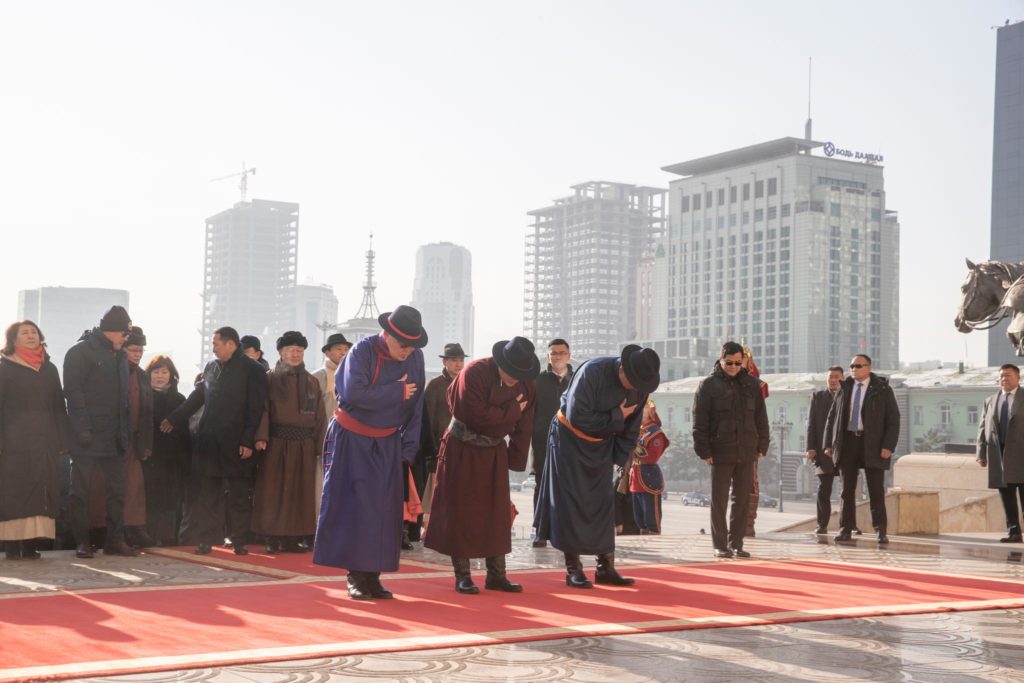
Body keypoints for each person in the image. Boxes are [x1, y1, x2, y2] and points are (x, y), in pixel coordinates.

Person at [314, 306, 427, 600]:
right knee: (355, 507)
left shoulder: (415, 356)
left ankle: (373, 576)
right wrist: (396, 391)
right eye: (402, 344)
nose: (406, 351)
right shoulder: (362, 351)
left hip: (387, 441)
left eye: (412, 345)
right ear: (386, 335)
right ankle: (355, 576)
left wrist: (408, 448)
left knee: (384, 511)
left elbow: (416, 404)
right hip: (352, 438)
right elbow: (354, 392)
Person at [534, 344, 661, 589]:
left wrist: (619, 460)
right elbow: (577, 416)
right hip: (569, 440)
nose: (633, 389)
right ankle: (574, 570)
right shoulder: (592, 372)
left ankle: (605, 567)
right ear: (622, 368)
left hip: (602, 445)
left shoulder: (640, 386)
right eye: (631, 382)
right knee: (571, 504)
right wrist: (616, 415)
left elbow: (632, 426)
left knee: (604, 503)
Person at [425, 337, 537, 594]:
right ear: (500, 363)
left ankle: (497, 574)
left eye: (519, 376)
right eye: (511, 374)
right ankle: (463, 575)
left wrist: (515, 460)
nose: (514, 380)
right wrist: (512, 410)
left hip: (494, 450)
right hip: (462, 447)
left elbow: (525, 423)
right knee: (461, 511)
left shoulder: (527, 383)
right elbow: (476, 416)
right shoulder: (474, 373)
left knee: (496, 513)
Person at [162, 326, 269, 556]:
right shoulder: (211, 367)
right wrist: (174, 418)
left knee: (238, 494)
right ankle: (206, 540)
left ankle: (239, 541)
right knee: (208, 494)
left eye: (215, 344)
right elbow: (197, 397)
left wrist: (248, 441)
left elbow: (255, 408)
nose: (213, 349)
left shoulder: (253, 370)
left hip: (238, 443)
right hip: (209, 442)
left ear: (231, 344)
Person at [63, 305, 140, 558]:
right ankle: (81, 542)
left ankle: (115, 541)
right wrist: (82, 429)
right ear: (111, 330)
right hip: (86, 437)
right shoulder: (79, 352)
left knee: (117, 492)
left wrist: (124, 433)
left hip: (114, 438)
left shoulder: (120, 356)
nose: (126, 339)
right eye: (124, 334)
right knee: (80, 492)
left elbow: (123, 399)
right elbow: (73, 393)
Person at [0, 321, 72, 560]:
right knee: (14, 492)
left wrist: (63, 439)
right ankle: (12, 545)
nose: (31, 336)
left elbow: (59, 405)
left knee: (41, 492)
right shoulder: (5, 367)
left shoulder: (49, 369)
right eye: (25, 333)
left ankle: (31, 544)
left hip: (44, 441)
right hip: (13, 443)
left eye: (34, 332)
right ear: (14, 339)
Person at [692, 341, 769, 559]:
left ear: (743, 361)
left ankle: (736, 543)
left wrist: (762, 445)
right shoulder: (708, 386)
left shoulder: (752, 385)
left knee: (742, 500)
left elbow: (761, 418)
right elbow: (699, 421)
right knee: (719, 501)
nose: (733, 367)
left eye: (737, 362)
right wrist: (704, 451)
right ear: (721, 360)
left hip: (747, 451)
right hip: (720, 451)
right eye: (729, 363)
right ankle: (720, 545)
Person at [252, 331, 326, 553]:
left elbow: (320, 416)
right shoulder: (269, 378)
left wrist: (320, 445)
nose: (295, 354)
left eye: (299, 351)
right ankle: (271, 538)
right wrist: (261, 437)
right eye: (291, 350)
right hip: (276, 443)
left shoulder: (312, 382)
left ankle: (293, 538)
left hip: (304, 444)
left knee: (300, 492)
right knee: (273, 490)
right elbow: (262, 409)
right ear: (281, 353)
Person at [823, 354, 900, 544]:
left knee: (876, 489)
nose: (853, 369)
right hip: (848, 442)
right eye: (851, 366)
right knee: (846, 490)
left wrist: (888, 446)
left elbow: (893, 420)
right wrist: (828, 444)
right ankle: (845, 529)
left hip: (873, 443)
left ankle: (880, 530)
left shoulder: (882, 389)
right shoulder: (844, 387)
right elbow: (832, 417)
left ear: (868, 368)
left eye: (858, 366)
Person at [410, 342, 466, 544]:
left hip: (461, 447)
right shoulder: (434, 385)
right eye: (454, 360)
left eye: (461, 360)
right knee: (430, 494)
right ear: (445, 362)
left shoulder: (466, 383)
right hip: (437, 448)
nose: (458, 364)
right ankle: (424, 531)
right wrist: (432, 448)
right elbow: (428, 419)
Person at [530, 338, 573, 548]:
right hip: (542, 443)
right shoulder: (537, 381)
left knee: (568, 487)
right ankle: (540, 531)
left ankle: (566, 532)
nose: (557, 356)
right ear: (548, 356)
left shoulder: (577, 381)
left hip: (571, 444)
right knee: (542, 487)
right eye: (553, 353)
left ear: (569, 356)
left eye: (561, 353)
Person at [143, 355, 190, 546]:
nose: (160, 376)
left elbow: (185, 431)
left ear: (172, 375)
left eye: (164, 372)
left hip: (172, 458)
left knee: (171, 499)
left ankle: (169, 537)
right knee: (149, 497)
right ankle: (148, 535)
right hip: (149, 455)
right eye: (156, 372)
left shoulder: (179, 399)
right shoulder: (143, 396)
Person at [977, 363, 1024, 543]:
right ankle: (1014, 532)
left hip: (1021, 454)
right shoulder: (990, 400)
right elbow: (983, 428)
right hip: (999, 455)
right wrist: (981, 453)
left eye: (1008, 375)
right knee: (1006, 495)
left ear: (1018, 378)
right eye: (1002, 376)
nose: (1004, 379)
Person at [119, 326, 154, 548]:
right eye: (133, 350)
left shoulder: (142, 375)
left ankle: (135, 529)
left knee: (135, 487)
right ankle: (117, 532)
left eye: (140, 351)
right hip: (115, 440)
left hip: (135, 440)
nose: (137, 354)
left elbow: (148, 412)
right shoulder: (114, 372)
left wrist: (147, 444)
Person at [805, 366, 844, 534]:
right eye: (830, 377)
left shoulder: (848, 396)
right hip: (823, 451)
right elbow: (811, 424)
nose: (833, 380)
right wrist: (810, 448)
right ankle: (822, 524)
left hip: (844, 451)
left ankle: (848, 525)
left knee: (847, 490)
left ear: (843, 378)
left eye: (836, 377)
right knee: (823, 489)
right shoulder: (818, 397)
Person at [628, 400, 669, 534]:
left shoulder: (656, 433)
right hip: (635, 476)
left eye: (644, 406)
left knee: (651, 520)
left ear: (651, 411)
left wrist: (633, 445)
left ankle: (654, 541)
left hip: (648, 476)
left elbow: (652, 457)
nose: (640, 408)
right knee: (639, 519)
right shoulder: (636, 430)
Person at [741, 345, 768, 538]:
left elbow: (761, 418)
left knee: (750, 482)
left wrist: (762, 444)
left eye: (742, 359)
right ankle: (731, 526)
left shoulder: (757, 385)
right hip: (727, 441)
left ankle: (748, 524)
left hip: (749, 442)